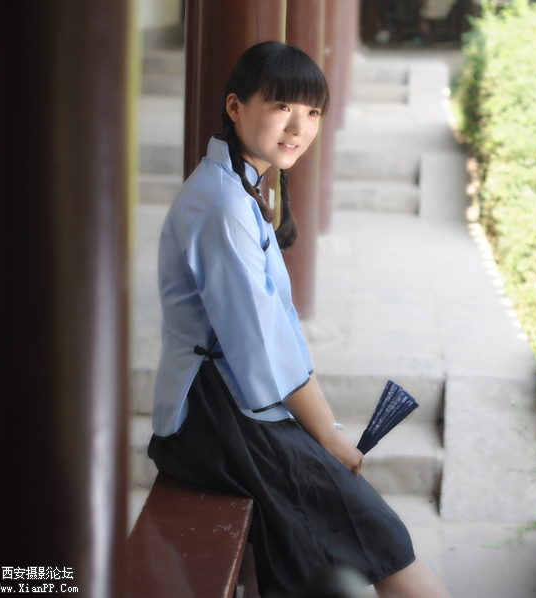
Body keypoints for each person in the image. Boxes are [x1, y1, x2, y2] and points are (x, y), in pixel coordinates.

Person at [147, 41, 452, 598]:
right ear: (236, 106)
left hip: (236, 404)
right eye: (282, 106)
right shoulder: (223, 206)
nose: (299, 127)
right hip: (216, 415)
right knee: (379, 535)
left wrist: (323, 432)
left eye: (312, 112)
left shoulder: (237, 187)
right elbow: (261, 345)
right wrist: (328, 434)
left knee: (347, 538)